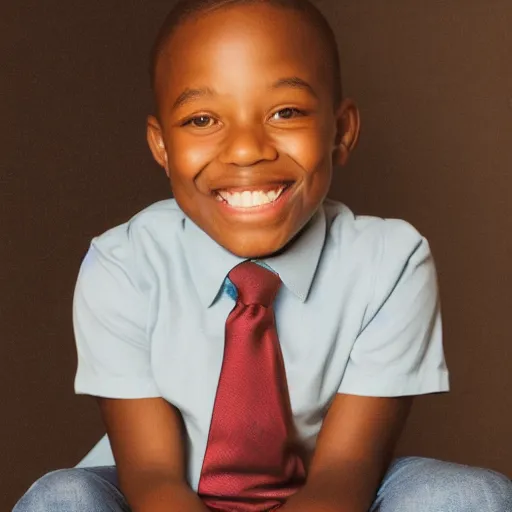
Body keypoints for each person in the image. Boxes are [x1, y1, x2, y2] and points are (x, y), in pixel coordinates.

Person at [13, 0, 512, 511]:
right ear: (161, 146)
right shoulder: (122, 265)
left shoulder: (391, 262)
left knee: (466, 496)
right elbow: (153, 477)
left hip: (329, 496)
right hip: (167, 498)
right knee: (63, 496)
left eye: (285, 112)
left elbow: (344, 475)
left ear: (341, 130)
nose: (247, 149)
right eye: (203, 119)